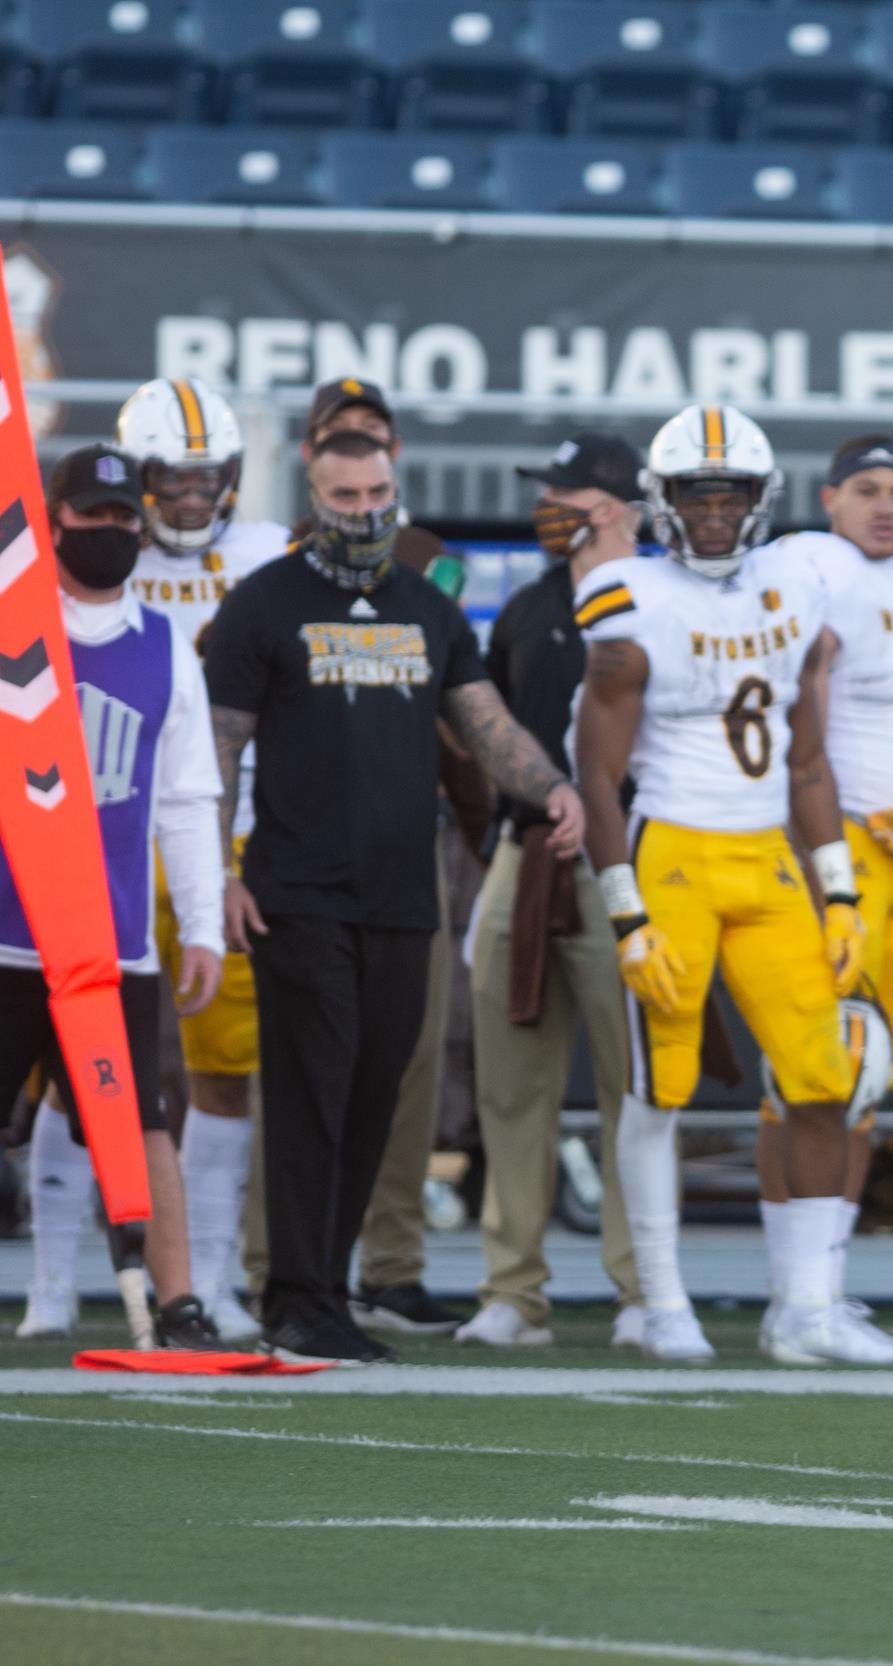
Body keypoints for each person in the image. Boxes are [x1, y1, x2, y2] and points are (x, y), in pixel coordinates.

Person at [205, 430, 584, 1365]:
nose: (366, 511)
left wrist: (552, 787)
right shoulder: (264, 601)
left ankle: (323, 1291)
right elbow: (215, 751)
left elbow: (483, 721)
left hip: (400, 895)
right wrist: (211, 871)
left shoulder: (424, 606)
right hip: (295, 892)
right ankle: (292, 1296)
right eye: (346, 497)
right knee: (309, 1095)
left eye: (378, 492)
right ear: (314, 495)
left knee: (375, 1093)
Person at [572, 403, 877, 1366]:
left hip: (770, 858)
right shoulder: (629, 601)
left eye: (731, 492)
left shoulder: (797, 582)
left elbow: (810, 760)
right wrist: (626, 916)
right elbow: (594, 773)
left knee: (824, 1077)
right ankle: (664, 1302)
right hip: (672, 856)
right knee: (659, 1089)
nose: (713, 510)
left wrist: (840, 892)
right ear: (663, 502)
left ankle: (808, 1309)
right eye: (696, 493)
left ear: (760, 499)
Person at [760, 434, 893, 1364]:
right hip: (831, 850)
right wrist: (826, 844)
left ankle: (822, 1289)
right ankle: (795, 1297)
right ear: (830, 496)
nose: (886, 506)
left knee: (866, 1080)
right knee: (817, 1074)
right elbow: (795, 716)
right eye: (868, 490)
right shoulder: (814, 566)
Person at [8, 444, 224, 1349]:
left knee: (144, 1124)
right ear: (51, 522)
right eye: (90, 517)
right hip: (9, 933)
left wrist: (205, 925)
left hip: (114, 941)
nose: (109, 532)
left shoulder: (168, 647)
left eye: (122, 518)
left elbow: (187, 799)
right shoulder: (15, 630)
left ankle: (178, 1307)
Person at [289, 376, 483, 1338]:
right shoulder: (281, 569)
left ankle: (393, 1262)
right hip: (304, 856)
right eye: (341, 442)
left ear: (392, 457)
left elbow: (456, 706)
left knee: (403, 1066)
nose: (360, 461)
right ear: (312, 461)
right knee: (296, 1074)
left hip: (412, 843)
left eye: (373, 441)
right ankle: (274, 1267)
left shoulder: (428, 566)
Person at [455, 432, 647, 1350]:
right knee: (512, 1084)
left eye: (561, 494)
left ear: (607, 505)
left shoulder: (661, 600)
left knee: (636, 1085)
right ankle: (512, 1288)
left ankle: (643, 1286)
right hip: (523, 857)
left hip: (631, 863)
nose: (546, 508)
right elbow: (485, 726)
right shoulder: (528, 607)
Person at [117, 377, 290, 1344]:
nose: (190, 498)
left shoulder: (269, 554)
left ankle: (208, 1280)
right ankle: (58, 1281)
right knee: (81, 1066)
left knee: (226, 1064)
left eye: (206, 479)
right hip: (107, 832)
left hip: (226, 831)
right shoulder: (91, 553)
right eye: (169, 481)